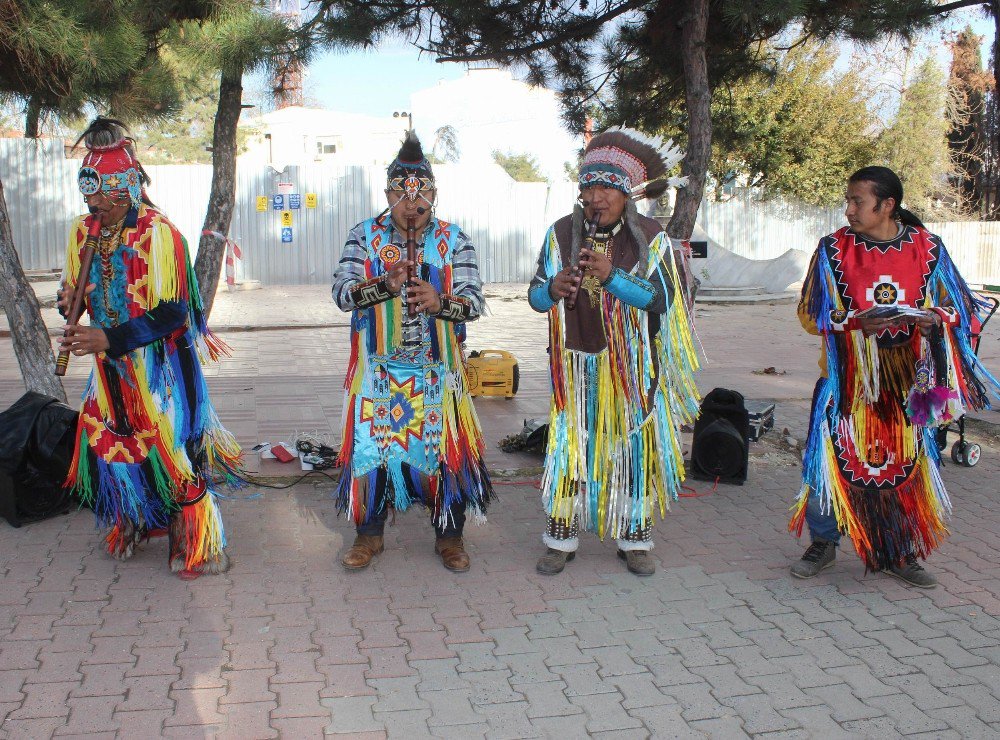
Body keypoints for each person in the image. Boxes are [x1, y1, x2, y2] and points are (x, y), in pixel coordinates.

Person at [790, 166, 1000, 587]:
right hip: (847, 380)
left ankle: (897, 549)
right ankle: (824, 542)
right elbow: (808, 314)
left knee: (906, 464)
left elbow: (965, 310)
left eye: (857, 201)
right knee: (827, 461)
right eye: (848, 200)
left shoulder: (928, 248)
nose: (848, 209)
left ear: (887, 205)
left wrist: (933, 319)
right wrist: (852, 321)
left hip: (907, 382)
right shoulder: (833, 249)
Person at [57, 117, 244, 579]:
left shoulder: (158, 234)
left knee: (169, 445)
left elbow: (173, 313)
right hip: (110, 368)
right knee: (113, 442)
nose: (92, 201)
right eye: (88, 191)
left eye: (101, 191)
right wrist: (70, 304)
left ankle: (198, 538)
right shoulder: (82, 233)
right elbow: (74, 294)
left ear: (126, 188)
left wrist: (110, 337)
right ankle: (134, 520)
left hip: (159, 367)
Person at [527, 127, 700, 576]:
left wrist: (612, 278)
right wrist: (553, 287)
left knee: (634, 446)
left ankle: (635, 536)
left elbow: (663, 298)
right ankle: (561, 536)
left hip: (632, 366)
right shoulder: (562, 232)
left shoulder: (652, 236)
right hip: (576, 361)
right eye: (588, 186)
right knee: (571, 445)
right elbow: (534, 297)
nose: (596, 197)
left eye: (606, 187)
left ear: (626, 193)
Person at [332, 131, 493, 572]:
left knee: (445, 454)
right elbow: (343, 294)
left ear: (433, 195)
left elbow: (475, 303)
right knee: (371, 451)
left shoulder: (454, 240)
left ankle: (451, 536)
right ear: (387, 194)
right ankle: (368, 536)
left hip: (438, 372)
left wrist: (442, 303)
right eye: (401, 193)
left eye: (419, 193)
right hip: (378, 370)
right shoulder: (364, 236)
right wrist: (383, 286)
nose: (410, 203)